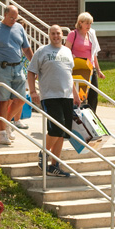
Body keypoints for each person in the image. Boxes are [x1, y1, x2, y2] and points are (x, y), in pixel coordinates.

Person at [27, 25, 81, 177]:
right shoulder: (42, 51)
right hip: (50, 96)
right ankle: (43, 154)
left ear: (62, 35)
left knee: (63, 132)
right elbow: (31, 72)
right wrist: (32, 91)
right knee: (55, 129)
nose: (56, 36)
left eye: (58, 33)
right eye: (53, 33)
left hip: (67, 96)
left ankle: (54, 165)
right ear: (49, 35)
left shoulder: (67, 51)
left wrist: (75, 95)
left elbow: (68, 75)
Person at [0, 5, 33, 145]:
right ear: (4, 14)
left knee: (21, 99)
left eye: (15, 18)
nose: (13, 20)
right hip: (0, 68)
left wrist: (34, 66)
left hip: (17, 68)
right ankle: (2, 133)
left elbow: (26, 48)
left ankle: (6, 123)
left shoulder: (19, 28)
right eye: (11, 17)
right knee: (3, 100)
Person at [65, 12, 104, 113]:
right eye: (87, 23)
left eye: (90, 23)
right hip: (77, 67)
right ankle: (76, 114)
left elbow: (94, 54)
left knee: (93, 93)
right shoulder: (73, 34)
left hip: (90, 68)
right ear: (80, 23)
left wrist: (98, 70)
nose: (89, 26)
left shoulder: (91, 35)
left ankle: (92, 115)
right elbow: (66, 50)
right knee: (79, 93)